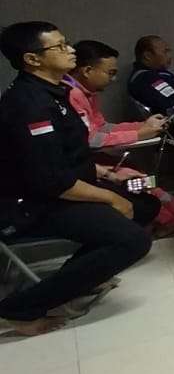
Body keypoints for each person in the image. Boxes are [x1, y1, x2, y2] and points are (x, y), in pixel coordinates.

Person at [0, 22, 152, 335]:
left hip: (63, 189)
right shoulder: (30, 105)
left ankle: (80, 281)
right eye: (60, 46)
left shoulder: (56, 93)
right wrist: (112, 197)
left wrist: (106, 174)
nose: (70, 50)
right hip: (33, 204)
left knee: (142, 205)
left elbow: (69, 154)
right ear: (32, 59)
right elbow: (52, 180)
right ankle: (20, 309)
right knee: (133, 239)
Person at [64, 40, 174, 235]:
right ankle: (168, 218)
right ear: (87, 70)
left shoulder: (87, 93)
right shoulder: (71, 95)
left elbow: (102, 127)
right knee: (136, 177)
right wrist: (139, 134)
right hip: (81, 165)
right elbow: (91, 139)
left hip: (91, 158)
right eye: (110, 73)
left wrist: (142, 126)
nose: (113, 79)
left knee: (140, 174)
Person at [126, 35, 174, 114]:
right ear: (148, 56)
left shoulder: (157, 73)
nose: (170, 56)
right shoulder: (146, 79)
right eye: (165, 52)